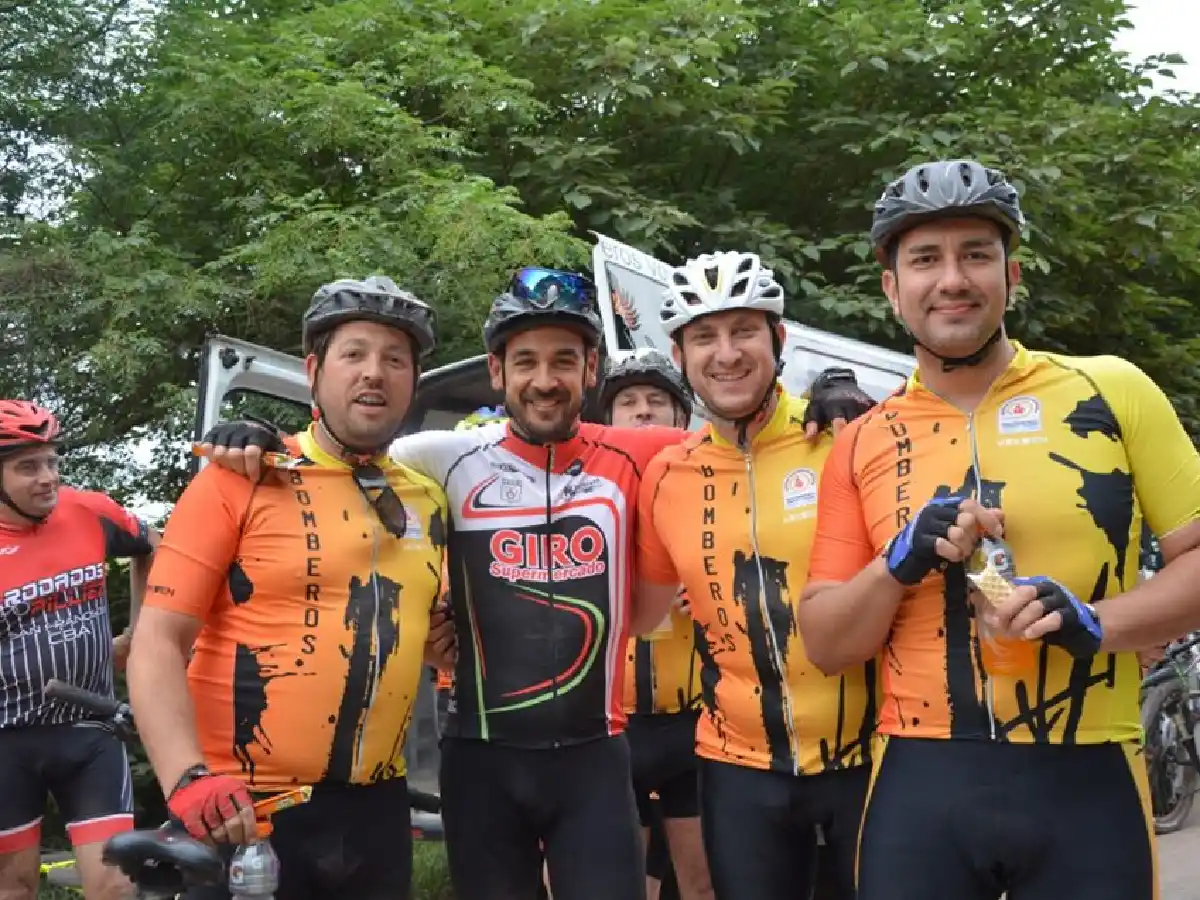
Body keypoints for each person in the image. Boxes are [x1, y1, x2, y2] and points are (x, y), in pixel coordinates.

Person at [196, 265, 872, 900]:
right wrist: (261, 439)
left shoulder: (642, 454)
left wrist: (834, 395)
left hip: (596, 762)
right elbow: (342, 447)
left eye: (562, 361)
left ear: (590, 370)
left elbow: (740, 425)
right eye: (525, 361)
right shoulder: (440, 458)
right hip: (481, 765)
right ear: (497, 371)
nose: (544, 379)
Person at [798, 159, 1200, 900]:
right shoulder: (861, 439)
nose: (952, 279)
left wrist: (1095, 621)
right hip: (922, 782)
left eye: (975, 254)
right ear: (892, 289)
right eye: (925, 259)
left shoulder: (1112, 389)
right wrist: (897, 559)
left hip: (1089, 773)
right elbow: (826, 642)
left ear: (1011, 274)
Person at [127, 276, 450, 900]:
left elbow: (422, 639)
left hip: (377, 814)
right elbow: (157, 642)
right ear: (313, 370)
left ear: (412, 381)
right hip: (245, 811)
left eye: (394, 359)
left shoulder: (428, 498)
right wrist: (187, 779)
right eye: (353, 354)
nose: (374, 374)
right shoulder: (239, 479)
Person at [634, 251, 879, 900]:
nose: (726, 353)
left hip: (871, 755)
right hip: (737, 766)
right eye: (703, 337)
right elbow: (635, 614)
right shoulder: (666, 475)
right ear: (680, 356)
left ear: (778, 339)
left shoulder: (844, 433)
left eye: (743, 330)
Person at [0, 399, 159, 900]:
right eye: (28, 467)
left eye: (52, 461)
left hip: (91, 730)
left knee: (115, 885)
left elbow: (153, 547)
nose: (48, 477)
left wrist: (140, 634)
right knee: (16, 886)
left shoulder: (88, 511)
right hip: (7, 741)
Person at [600, 349, 711, 900]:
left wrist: (709, 591)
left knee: (703, 883)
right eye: (628, 403)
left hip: (692, 723)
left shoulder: (705, 493)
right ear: (606, 421)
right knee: (620, 884)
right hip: (612, 725)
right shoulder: (584, 497)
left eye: (656, 402)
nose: (642, 413)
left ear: (681, 418)